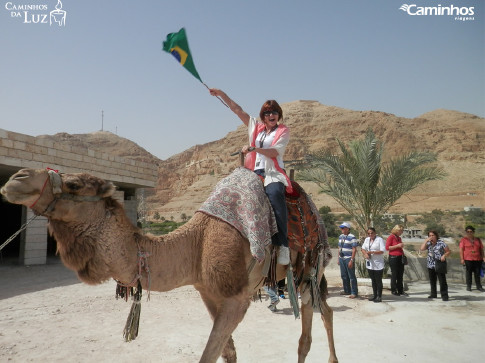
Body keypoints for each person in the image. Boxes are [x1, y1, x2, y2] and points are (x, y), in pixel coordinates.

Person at [209, 88, 292, 265]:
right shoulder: (256, 128)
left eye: (274, 112)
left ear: (279, 115)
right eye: (268, 112)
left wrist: (254, 149)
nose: (271, 115)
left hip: (271, 172)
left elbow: (274, 152)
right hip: (252, 171)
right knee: (229, 188)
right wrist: (222, 95)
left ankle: (283, 245)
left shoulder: (283, 131)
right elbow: (237, 109)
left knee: (276, 194)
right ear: (263, 116)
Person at [420, 230, 451, 301]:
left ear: (436, 236)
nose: (431, 237)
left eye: (432, 235)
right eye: (430, 235)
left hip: (439, 263)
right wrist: (425, 241)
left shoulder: (441, 243)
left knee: (442, 280)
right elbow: (422, 249)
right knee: (432, 280)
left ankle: (444, 295)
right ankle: (433, 294)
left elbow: (448, 251)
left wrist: (444, 256)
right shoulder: (428, 243)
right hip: (430, 264)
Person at [361, 227, 386, 303]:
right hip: (370, 262)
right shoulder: (367, 239)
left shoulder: (379, 240)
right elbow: (363, 248)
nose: (370, 234)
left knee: (378, 280)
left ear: (375, 232)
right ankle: (374, 295)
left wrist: (372, 252)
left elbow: (382, 251)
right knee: (373, 280)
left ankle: (379, 296)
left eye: (372, 233)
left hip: (378, 263)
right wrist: (365, 254)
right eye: (369, 233)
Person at [459, 226, 484, 292]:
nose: (469, 233)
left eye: (471, 232)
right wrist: (462, 259)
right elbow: (461, 250)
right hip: (468, 258)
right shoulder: (463, 240)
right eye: (468, 232)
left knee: (477, 273)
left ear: (473, 232)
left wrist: (483, 257)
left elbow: (481, 249)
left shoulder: (478, 240)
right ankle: (469, 286)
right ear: (466, 232)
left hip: (477, 258)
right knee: (469, 273)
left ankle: (479, 286)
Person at [337, 222, 359, 298]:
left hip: (348, 258)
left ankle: (354, 292)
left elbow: (354, 249)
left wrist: (351, 260)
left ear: (347, 228)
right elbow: (339, 248)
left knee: (351, 276)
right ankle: (347, 290)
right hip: (342, 258)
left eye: (343, 228)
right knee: (344, 275)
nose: (342, 229)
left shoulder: (352, 237)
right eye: (341, 228)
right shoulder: (340, 236)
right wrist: (338, 258)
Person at [385, 224, 407, 296]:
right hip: (393, 257)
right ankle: (393, 290)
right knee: (394, 274)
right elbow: (387, 247)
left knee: (400, 274)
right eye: (401, 231)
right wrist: (397, 246)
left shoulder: (399, 238)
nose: (402, 232)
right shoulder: (391, 237)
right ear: (397, 230)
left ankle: (400, 290)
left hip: (400, 257)